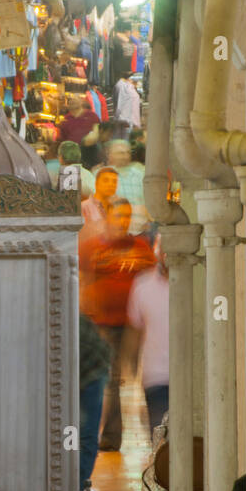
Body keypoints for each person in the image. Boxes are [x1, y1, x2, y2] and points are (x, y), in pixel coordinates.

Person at [79, 199, 155, 452]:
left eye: (126, 216)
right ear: (109, 218)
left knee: (144, 378)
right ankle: (111, 437)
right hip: (104, 325)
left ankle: (156, 435)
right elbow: (81, 279)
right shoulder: (93, 248)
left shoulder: (141, 248)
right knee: (112, 381)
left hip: (137, 325)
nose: (122, 220)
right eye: (118, 215)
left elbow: (153, 280)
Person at [126, 237, 169, 437]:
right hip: (156, 377)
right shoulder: (142, 285)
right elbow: (135, 329)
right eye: (163, 246)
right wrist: (131, 367)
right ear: (156, 250)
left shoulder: (198, 282)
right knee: (160, 441)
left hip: (194, 375)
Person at [79, 313, 112, 491]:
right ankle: (76, 484)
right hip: (87, 371)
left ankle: (78, 484)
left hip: (92, 374)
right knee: (83, 433)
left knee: (87, 432)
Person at [107, 138, 148, 233]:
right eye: (121, 153)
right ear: (110, 155)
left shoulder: (140, 174)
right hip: (115, 232)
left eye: (128, 152)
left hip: (141, 231)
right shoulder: (103, 176)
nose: (125, 156)